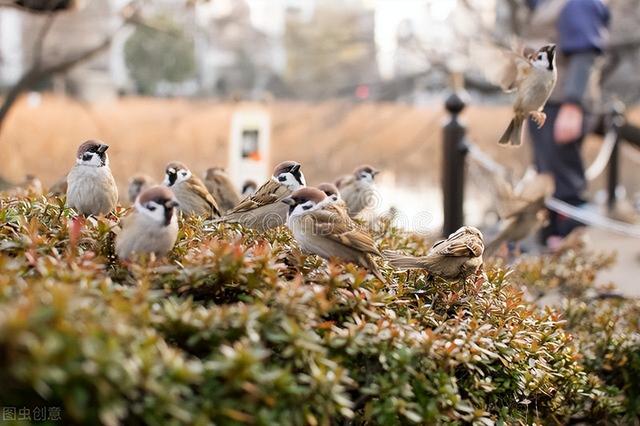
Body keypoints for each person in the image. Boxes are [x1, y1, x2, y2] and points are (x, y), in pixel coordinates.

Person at [525, 0, 610, 248]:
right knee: (547, 177)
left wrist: (572, 105)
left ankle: (569, 250)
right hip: (545, 102)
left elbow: (584, 54)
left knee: (565, 182)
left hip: (562, 103)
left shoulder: (579, 3)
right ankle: (550, 243)